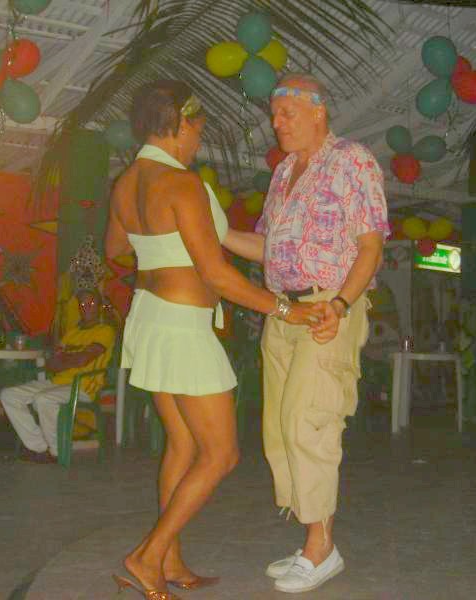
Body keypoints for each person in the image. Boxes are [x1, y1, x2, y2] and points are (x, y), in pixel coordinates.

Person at [104, 80, 337, 599]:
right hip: (183, 327)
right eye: (198, 130)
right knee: (221, 454)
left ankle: (170, 561)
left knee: (183, 444)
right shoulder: (181, 183)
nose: (198, 141)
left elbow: (116, 248)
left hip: (149, 318)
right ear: (180, 125)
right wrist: (288, 309)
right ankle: (146, 557)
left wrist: (161, 250)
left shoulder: (126, 182)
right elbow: (216, 275)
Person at [222, 72, 389, 594]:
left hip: (327, 306)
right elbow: (266, 247)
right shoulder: (283, 172)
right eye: (273, 114)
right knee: (277, 428)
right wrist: (215, 232)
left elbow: (371, 246)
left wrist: (340, 304)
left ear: (319, 111)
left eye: (286, 112)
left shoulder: (352, 160)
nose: (276, 123)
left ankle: (322, 548)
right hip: (282, 312)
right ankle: (312, 538)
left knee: (308, 421)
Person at [0, 287, 116, 463]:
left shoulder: (105, 331)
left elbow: (83, 359)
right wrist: (69, 360)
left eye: (91, 303)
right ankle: (39, 447)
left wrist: (65, 360)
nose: (86, 307)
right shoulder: (72, 333)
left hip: (82, 386)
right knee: (9, 395)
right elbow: (52, 364)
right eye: (82, 304)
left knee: (43, 399)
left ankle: (56, 451)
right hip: (57, 382)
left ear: (99, 306)